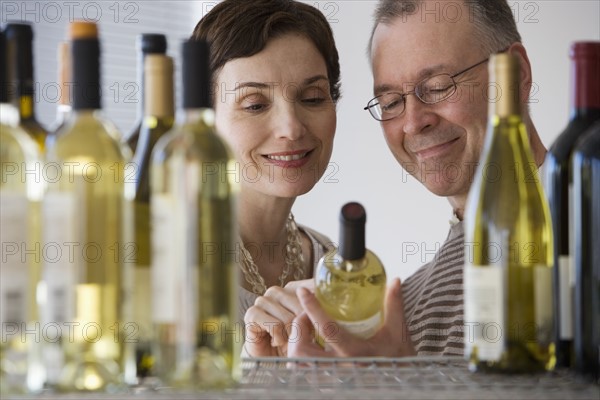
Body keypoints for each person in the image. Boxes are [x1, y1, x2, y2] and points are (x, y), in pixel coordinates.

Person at [243, 0, 548, 358]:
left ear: (517, 75)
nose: (414, 122)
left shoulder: (584, 230)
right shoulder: (404, 308)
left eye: (437, 87)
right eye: (390, 103)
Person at [190, 0, 340, 328]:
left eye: (312, 98)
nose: (291, 128)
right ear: (206, 121)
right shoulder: (170, 257)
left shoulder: (330, 260)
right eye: (255, 105)